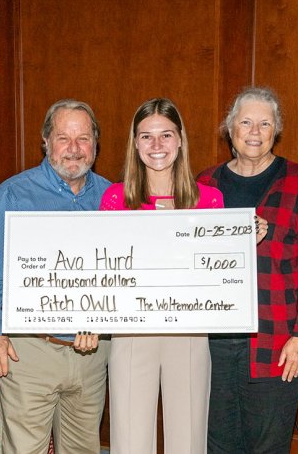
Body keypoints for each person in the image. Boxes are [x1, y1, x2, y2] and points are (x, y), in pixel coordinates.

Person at [0, 99, 111, 453]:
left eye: (83, 138)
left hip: (92, 355)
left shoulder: (113, 198)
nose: (74, 148)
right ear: (46, 142)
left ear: (96, 143)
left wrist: (103, 321)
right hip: (28, 351)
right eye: (63, 138)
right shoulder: (13, 195)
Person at [197, 87, 298, 453]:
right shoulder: (204, 184)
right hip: (211, 344)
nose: (254, 132)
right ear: (230, 129)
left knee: (268, 445)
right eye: (245, 122)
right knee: (216, 444)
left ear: (277, 130)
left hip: (275, 342)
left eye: (265, 123)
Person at [100, 97, 230, 453]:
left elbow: (219, 271)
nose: (156, 145)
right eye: (146, 136)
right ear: (135, 143)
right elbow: (103, 269)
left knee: (188, 440)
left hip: (189, 331)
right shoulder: (115, 199)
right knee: (129, 441)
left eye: (166, 135)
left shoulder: (210, 200)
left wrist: (242, 239)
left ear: (180, 140)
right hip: (130, 330)